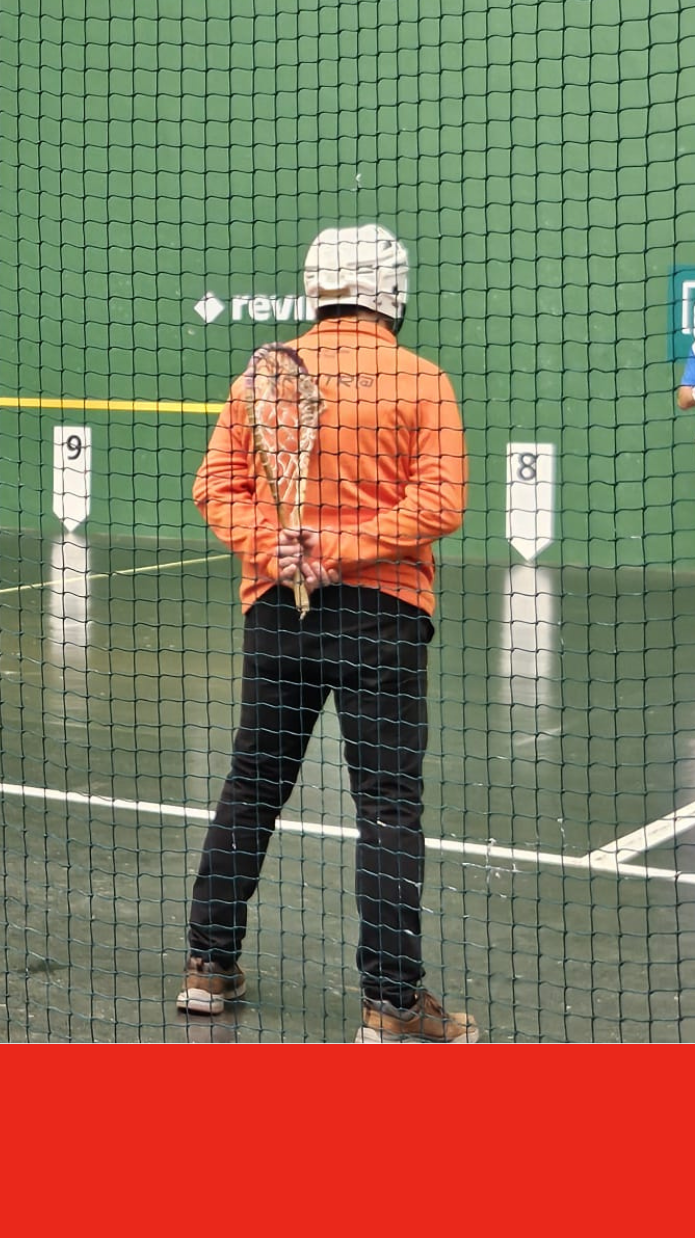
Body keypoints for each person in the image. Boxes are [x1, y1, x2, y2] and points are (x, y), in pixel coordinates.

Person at [178, 224, 477, 1043]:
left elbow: (216, 486)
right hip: (383, 615)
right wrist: (341, 549)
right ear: (391, 291)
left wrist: (272, 544)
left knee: (253, 786)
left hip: (278, 610)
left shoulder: (264, 378)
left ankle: (208, 967)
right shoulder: (423, 381)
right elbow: (441, 506)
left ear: (316, 287)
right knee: (386, 806)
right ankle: (389, 1001)